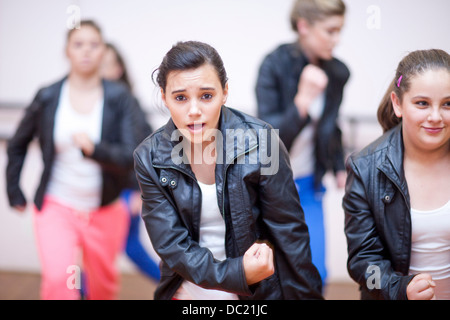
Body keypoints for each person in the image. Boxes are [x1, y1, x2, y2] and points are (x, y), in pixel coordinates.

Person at [134, 41, 323, 300]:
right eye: (180, 98)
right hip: (188, 291)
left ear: (224, 92)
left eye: (206, 96)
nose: (194, 111)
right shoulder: (149, 157)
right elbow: (172, 246)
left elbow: (289, 234)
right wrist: (239, 273)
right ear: (164, 97)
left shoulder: (262, 141)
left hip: (257, 291)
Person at [6, 20, 143, 300]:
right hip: (57, 206)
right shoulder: (48, 96)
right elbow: (18, 143)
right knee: (61, 282)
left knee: (102, 288)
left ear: (103, 51)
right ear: (67, 51)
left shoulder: (119, 97)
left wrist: (95, 149)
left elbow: (132, 154)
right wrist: (13, 188)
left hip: (105, 209)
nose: (86, 52)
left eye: (94, 45)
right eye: (78, 44)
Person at [343, 49, 450, 300]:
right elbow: (362, 262)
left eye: (447, 104)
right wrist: (400, 288)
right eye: (422, 103)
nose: (435, 117)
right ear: (398, 103)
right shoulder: (365, 168)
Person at [255, 0, 349, 285]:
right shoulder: (274, 65)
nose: (336, 39)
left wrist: (338, 165)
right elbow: (269, 139)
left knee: (316, 274)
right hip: (269, 186)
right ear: (303, 26)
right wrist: (303, 100)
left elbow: (330, 125)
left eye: (340, 31)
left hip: (309, 184)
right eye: (330, 31)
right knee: (268, 275)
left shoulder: (337, 72)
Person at [101, 42, 161, 282]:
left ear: (118, 70)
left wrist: (140, 190)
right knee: (108, 247)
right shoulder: (90, 104)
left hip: (126, 191)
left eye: (107, 64)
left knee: (128, 247)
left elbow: (145, 149)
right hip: (100, 192)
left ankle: (175, 287)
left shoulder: (128, 103)